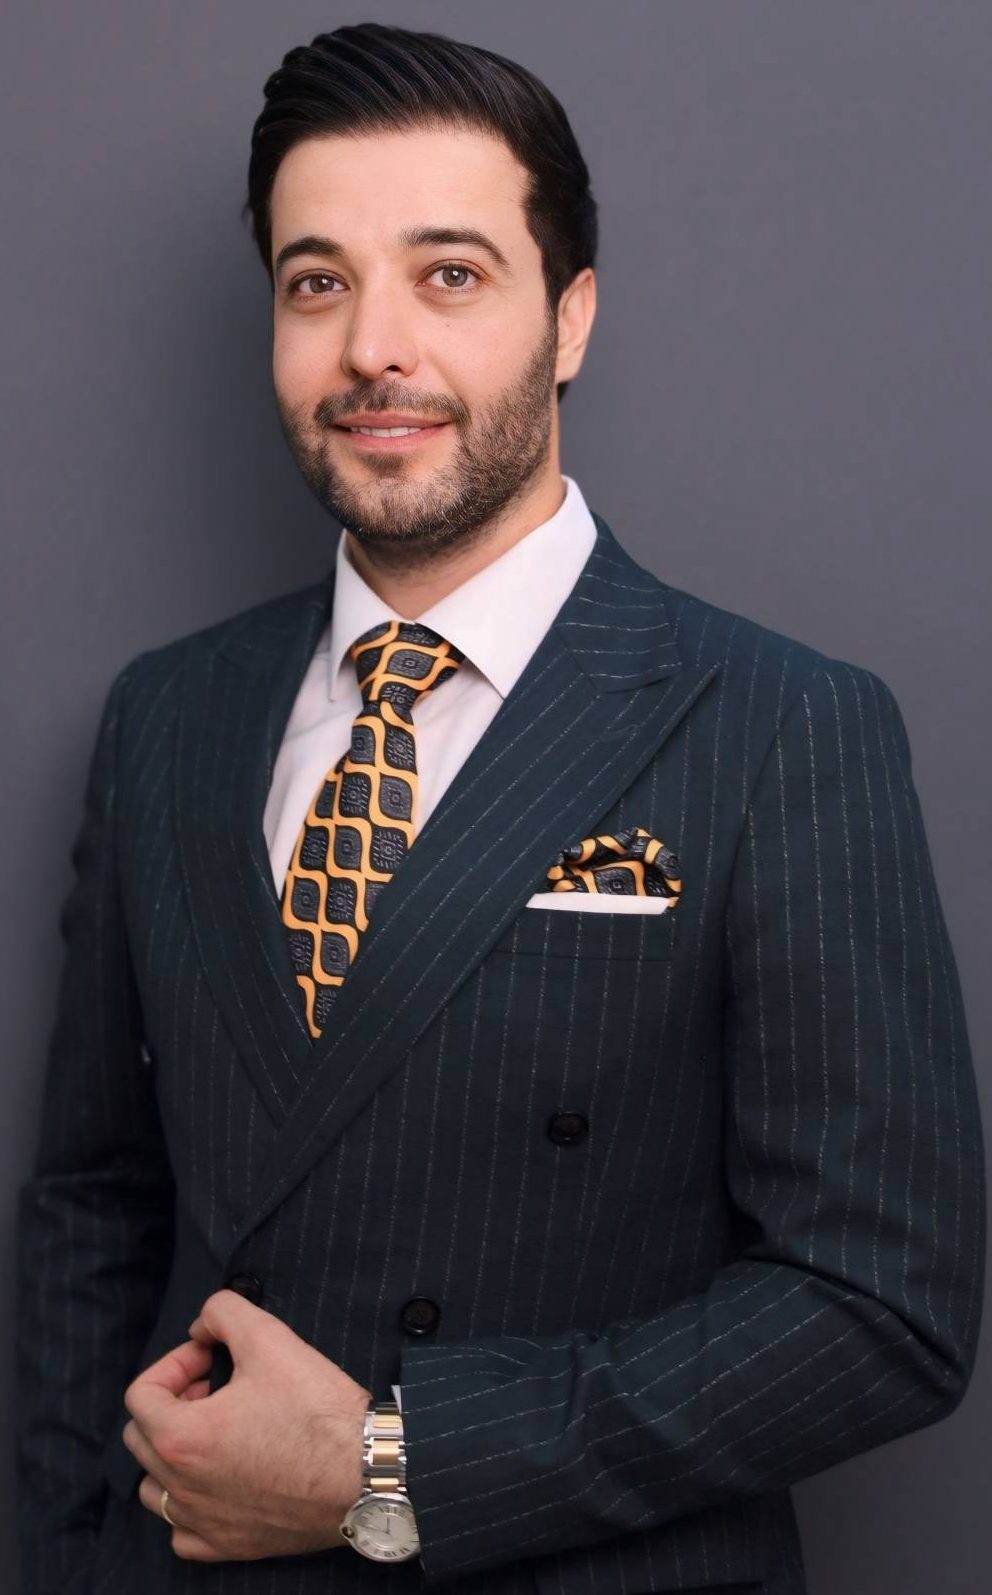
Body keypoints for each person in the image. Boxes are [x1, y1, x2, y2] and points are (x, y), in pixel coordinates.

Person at [16, 20, 985, 1595]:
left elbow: (881, 1303)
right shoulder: (166, 716)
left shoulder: (781, 724)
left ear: (570, 317)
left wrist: (389, 1470)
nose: (372, 350)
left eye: (450, 275)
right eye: (317, 283)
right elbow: (93, 1205)